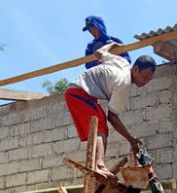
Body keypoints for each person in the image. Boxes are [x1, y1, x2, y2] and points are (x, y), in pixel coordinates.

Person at [65, 44, 156, 179]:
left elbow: (99, 53)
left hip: (78, 92)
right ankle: (98, 166)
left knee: (99, 125)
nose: (145, 82)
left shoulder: (123, 63)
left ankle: (97, 164)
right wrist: (131, 139)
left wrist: (113, 44)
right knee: (100, 126)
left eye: (149, 80)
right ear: (136, 69)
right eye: (144, 77)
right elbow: (112, 117)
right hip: (79, 93)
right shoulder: (123, 84)